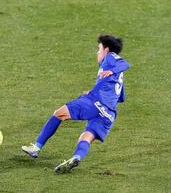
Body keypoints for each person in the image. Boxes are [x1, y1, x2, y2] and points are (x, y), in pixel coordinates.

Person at [22, 35, 130, 173]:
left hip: (95, 102)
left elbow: (125, 64)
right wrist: (96, 90)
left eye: (99, 49)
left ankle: (36, 147)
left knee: (59, 114)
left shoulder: (110, 58)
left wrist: (108, 75)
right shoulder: (118, 75)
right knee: (87, 136)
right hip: (109, 113)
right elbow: (120, 97)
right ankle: (76, 157)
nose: (97, 53)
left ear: (106, 50)